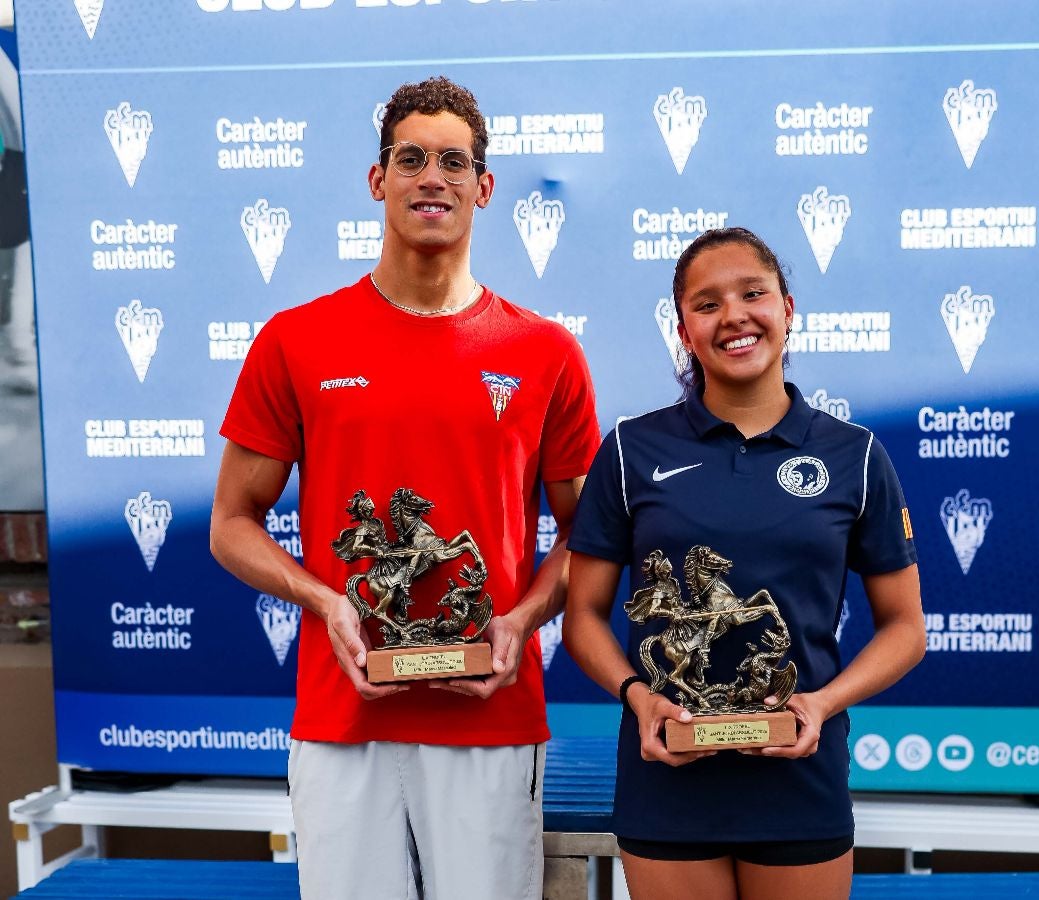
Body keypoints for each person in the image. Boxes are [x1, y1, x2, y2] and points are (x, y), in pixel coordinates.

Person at [211, 76, 601, 900]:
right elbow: (231, 524)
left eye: (453, 162)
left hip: (490, 716)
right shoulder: (296, 341)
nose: (433, 177)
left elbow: (591, 535)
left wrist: (522, 620)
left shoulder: (545, 353)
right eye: (411, 158)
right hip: (342, 715)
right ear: (377, 178)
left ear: (483, 188)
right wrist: (324, 602)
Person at [563, 227, 925, 900]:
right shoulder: (630, 450)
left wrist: (821, 704)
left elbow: (906, 629)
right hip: (667, 778)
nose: (733, 314)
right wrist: (637, 697)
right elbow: (582, 616)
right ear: (684, 330)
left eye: (752, 293)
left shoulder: (856, 455)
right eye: (707, 303)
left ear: (788, 309)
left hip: (800, 780)